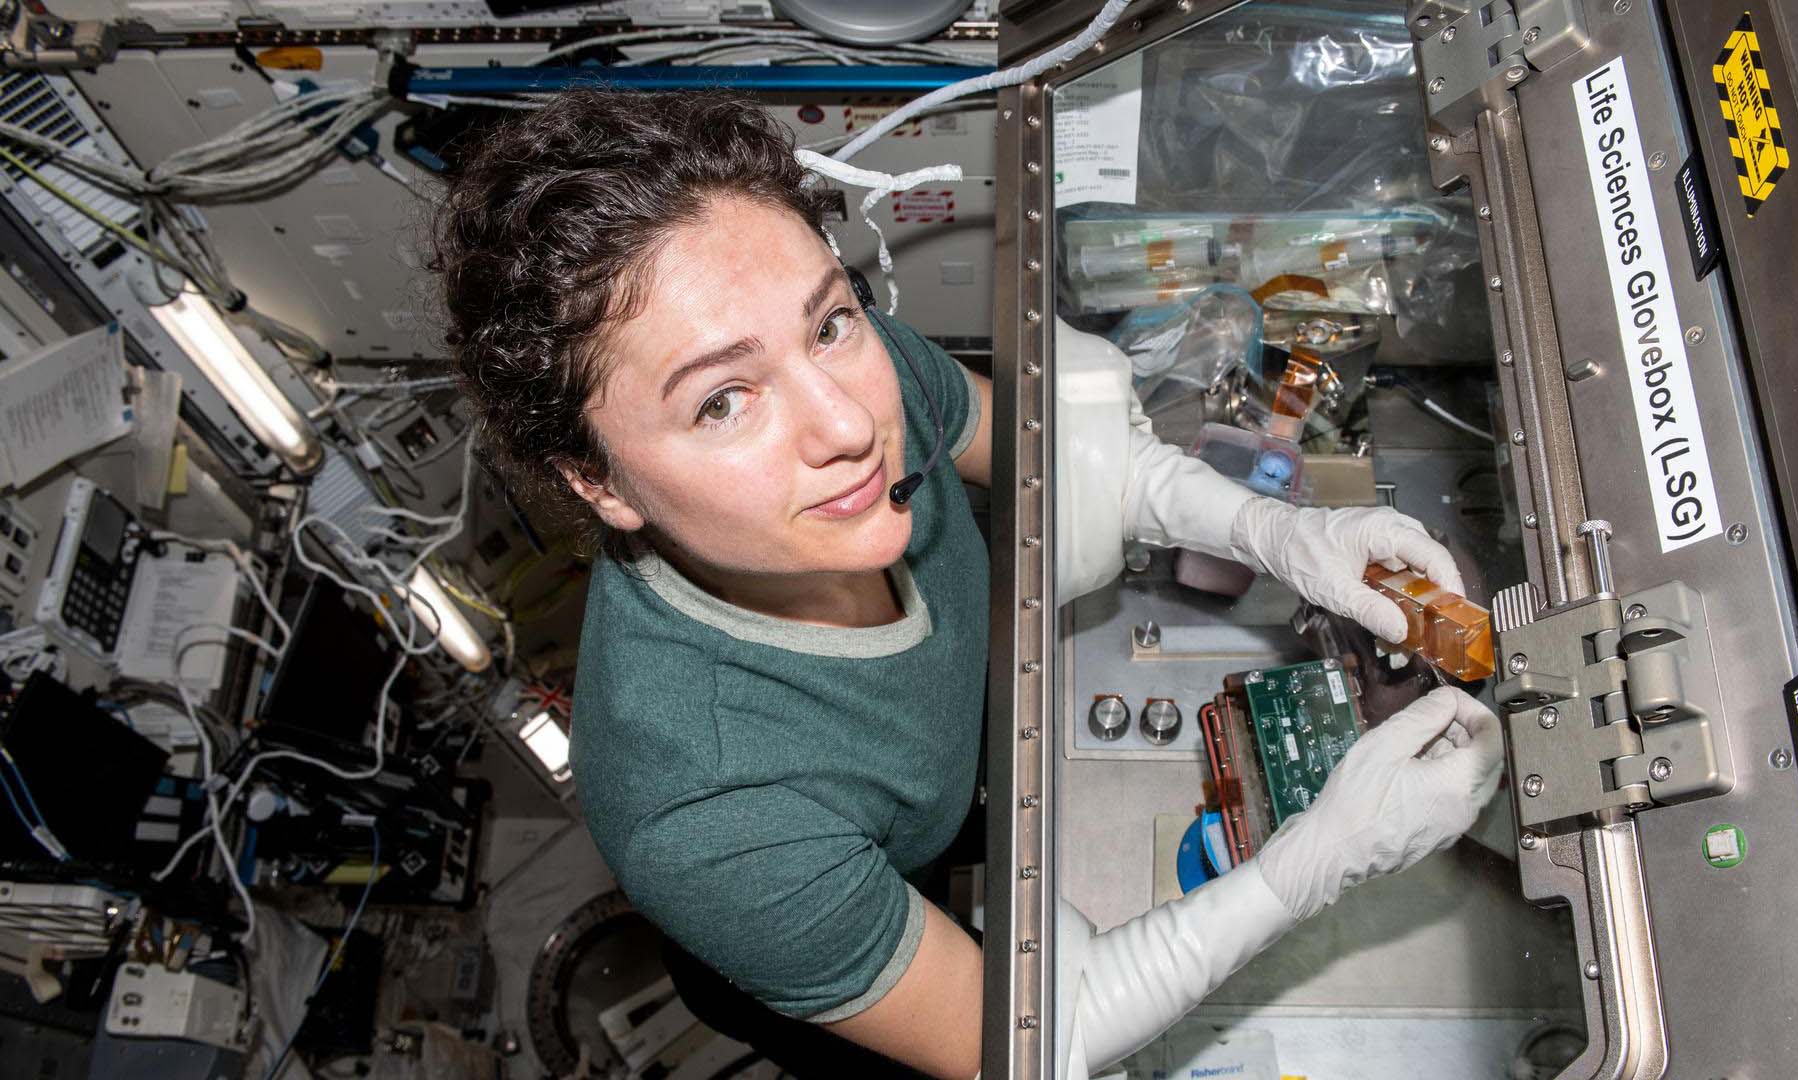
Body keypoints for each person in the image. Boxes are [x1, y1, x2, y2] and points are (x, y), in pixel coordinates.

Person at [434, 90, 1504, 1079]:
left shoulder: (846, 373)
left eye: (831, 320)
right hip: (823, 936)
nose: (851, 424)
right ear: (599, 482)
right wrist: (1320, 860)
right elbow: (1050, 1034)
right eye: (723, 403)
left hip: (933, 780)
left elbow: (1073, 465)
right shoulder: (710, 823)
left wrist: (1278, 531)